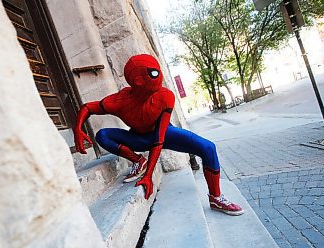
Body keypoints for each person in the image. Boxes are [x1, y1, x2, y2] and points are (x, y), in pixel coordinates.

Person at [73, 54, 243, 216]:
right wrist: (78, 129)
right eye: (153, 73)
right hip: (138, 139)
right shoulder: (121, 100)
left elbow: (159, 139)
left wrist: (148, 176)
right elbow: (88, 107)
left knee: (208, 147)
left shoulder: (164, 96)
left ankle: (215, 198)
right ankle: (138, 161)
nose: (159, 76)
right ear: (138, 81)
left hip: (165, 134)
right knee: (102, 135)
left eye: (158, 70)